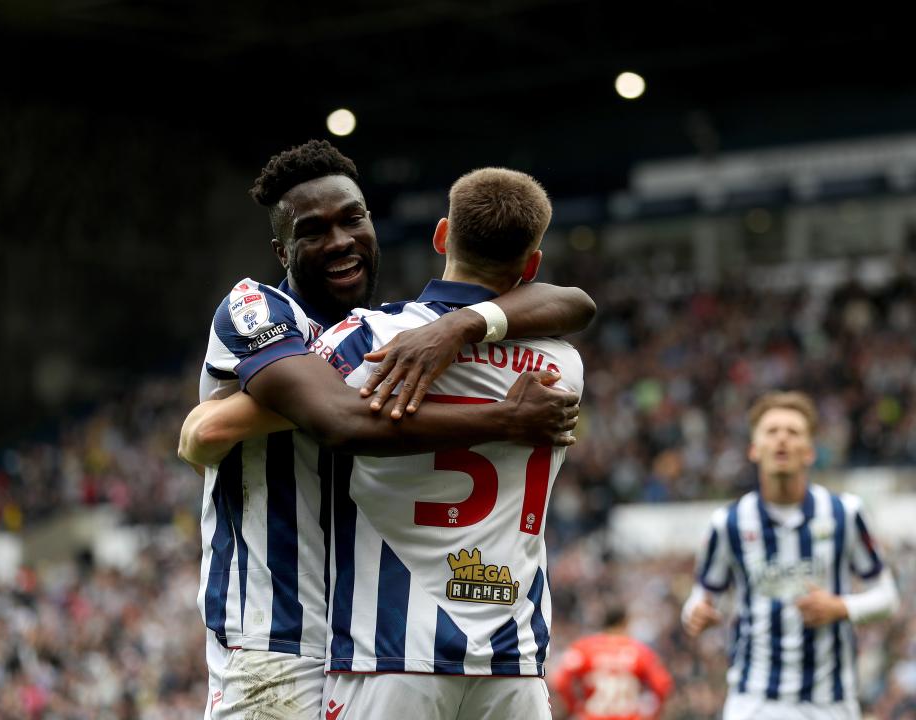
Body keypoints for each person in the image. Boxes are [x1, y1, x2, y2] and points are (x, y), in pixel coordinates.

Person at [185, 140, 596, 720]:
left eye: (353, 219)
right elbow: (336, 419)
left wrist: (462, 324)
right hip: (280, 631)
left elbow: (574, 301)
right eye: (314, 230)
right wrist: (507, 415)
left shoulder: (392, 334)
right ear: (281, 249)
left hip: (374, 633)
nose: (340, 241)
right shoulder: (258, 311)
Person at [289, 167, 581, 719]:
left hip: (389, 657)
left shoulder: (366, 341)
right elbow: (570, 304)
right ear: (533, 265)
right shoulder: (563, 366)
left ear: (442, 236)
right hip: (512, 663)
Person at [682, 391, 900, 720]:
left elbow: (888, 598)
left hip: (830, 703)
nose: (782, 439)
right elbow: (701, 597)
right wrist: (695, 613)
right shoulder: (728, 523)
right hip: (753, 701)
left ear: (810, 452)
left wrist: (841, 607)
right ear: (754, 449)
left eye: (793, 432)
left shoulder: (845, 513)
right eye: (771, 431)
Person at [551, 604, 673, 720]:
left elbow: (560, 681)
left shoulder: (584, 648)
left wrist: (575, 708)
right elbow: (662, 685)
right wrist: (652, 715)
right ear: (625, 623)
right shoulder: (640, 650)